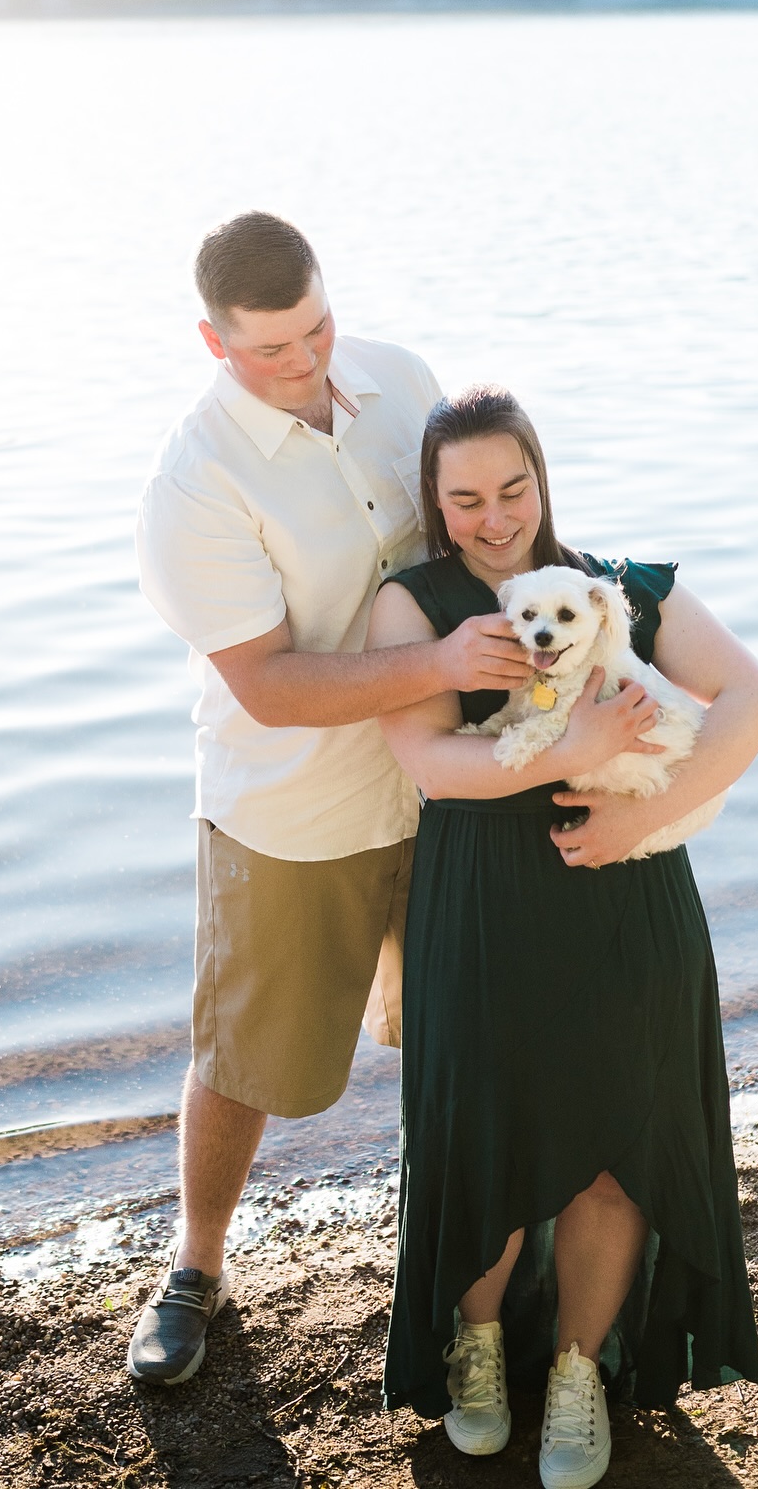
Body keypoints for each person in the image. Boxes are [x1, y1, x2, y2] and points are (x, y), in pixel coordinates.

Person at [129, 218, 660, 1387]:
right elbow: (265, 684)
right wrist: (441, 669)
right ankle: (196, 1265)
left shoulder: (402, 379)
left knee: (468, 1046)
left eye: (317, 326)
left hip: (460, 796)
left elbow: (483, 528)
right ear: (213, 343)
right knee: (249, 1051)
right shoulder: (194, 486)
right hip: (297, 809)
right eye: (272, 349)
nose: (308, 359)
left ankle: (475, 1274)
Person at [370, 384, 758, 1489]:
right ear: (436, 503)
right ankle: (477, 1354)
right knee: (486, 1142)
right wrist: (573, 748)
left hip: (630, 896)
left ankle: (577, 1372)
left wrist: (636, 819)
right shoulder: (414, 606)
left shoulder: (625, 591)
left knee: (616, 1150)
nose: (496, 517)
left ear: (542, 478)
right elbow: (430, 764)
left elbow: (755, 705)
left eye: (514, 487)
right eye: (466, 499)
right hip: (484, 907)